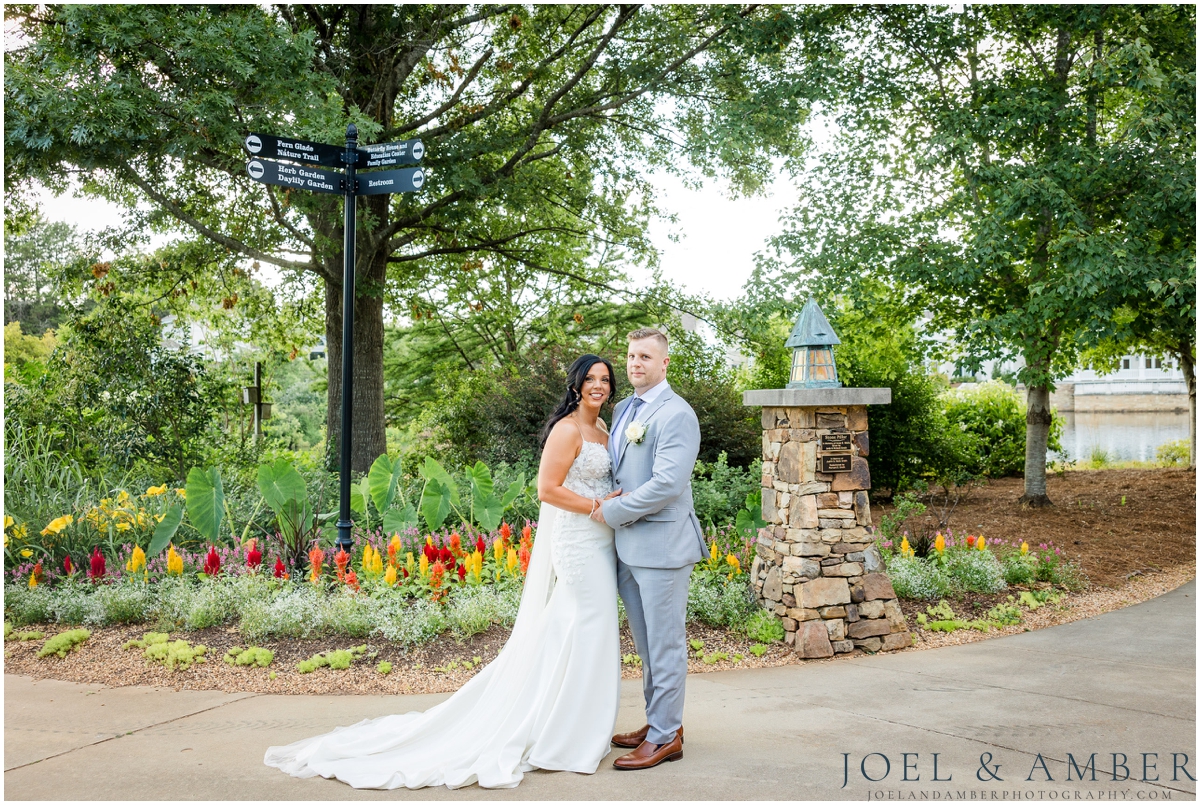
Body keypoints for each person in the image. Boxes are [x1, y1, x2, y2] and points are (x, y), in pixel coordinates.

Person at [264, 354, 623, 790]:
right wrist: (599, 507)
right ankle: (564, 735)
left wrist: (612, 502)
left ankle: (569, 724)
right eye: (590, 379)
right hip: (579, 544)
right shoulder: (567, 430)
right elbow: (547, 490)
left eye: (605, 379)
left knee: (580, 630)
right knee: (588, 625)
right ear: (575, 385)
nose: (598, 386)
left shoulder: (603, 429)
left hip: (601, 542)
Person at [592, 327, 706, 770]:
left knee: (665, 645)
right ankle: (661, 722)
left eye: (645, 356)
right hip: (628, 547)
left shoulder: (677, 414)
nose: (635, 363)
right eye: (631, 355)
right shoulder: (624, 409)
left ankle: (665, 738)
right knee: (645, 644)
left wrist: (612, 513)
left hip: (662, 546)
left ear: (664, 364)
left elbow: (667, 484)